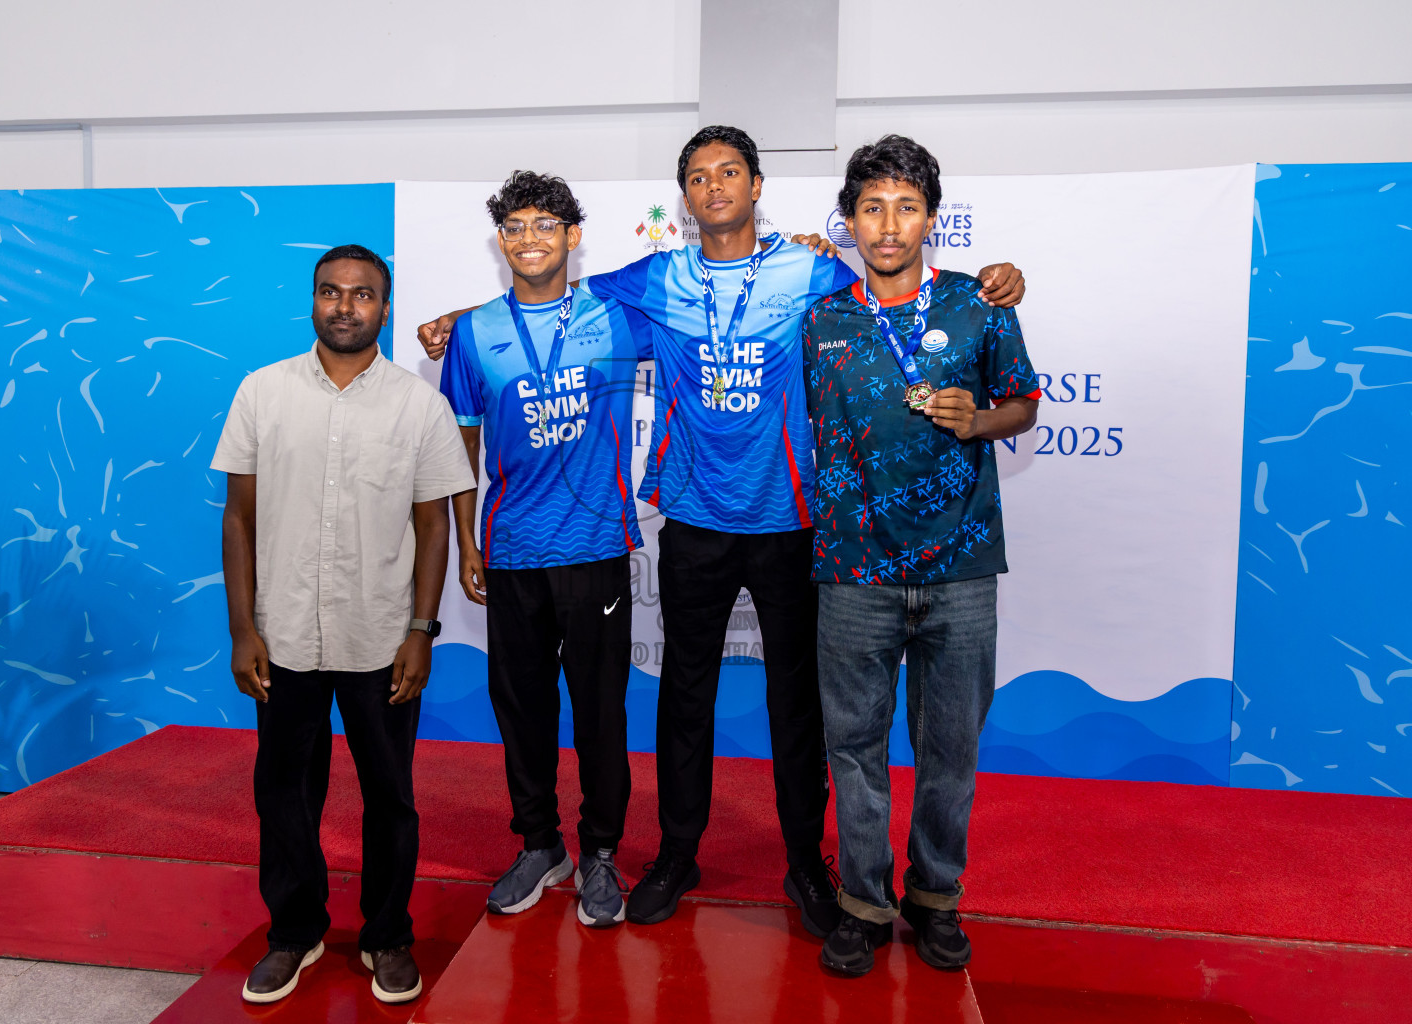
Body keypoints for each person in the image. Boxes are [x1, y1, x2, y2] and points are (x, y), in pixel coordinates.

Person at [420, 126, 1026, 935]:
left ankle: (806, 864)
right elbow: (554, 292)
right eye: (699, 176)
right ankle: (677, 854)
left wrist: (997, 280)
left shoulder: (813, 271)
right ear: (685, 197)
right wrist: (462, 319)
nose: (714, 186)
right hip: (694, 520)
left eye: (729, 171)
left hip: (792, 522)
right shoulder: (657, 277)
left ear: (756, 184)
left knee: (798, 707)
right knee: (686, 698)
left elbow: (896, 292)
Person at [802, 136, 1040, 976]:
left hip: (962, 567)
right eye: (871, 208)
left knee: (951, 750)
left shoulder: (980, 304)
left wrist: (982, 420)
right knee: (853, 747)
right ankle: (864, 904)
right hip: (853, 569)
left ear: (931, 218)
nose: (889, 224)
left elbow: (1024, 403)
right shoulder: (821, 319)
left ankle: (935, 896)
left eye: (906, 207)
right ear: (849, 221)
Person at [212, 244, 475, 1005]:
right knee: (284, 792)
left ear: (384, 308)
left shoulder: (417, 405)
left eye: (362, 295)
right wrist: (243, 629)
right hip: (284, 634)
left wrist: (421, 629)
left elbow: (433, 525)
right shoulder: (261, 392)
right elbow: (239, 519)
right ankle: (294, 933)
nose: (345, 306)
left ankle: (387, 935)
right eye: (331, 292)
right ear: (313, 301)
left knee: (390, 795)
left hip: (380, 637)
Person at [439, 171, 657, 927]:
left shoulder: (618, 318)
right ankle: (540, 845)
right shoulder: (473, 333)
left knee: (600, 715)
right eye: (515, 227)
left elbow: (709, 319)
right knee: (521, 713)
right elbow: (461, 443)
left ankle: (600, 852)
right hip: (512, 552)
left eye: (544, 225)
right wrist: (466, 540)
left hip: (595, 546)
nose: (529, 239)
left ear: (572, 237)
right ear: (501, 241)